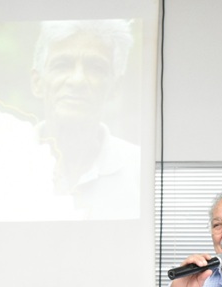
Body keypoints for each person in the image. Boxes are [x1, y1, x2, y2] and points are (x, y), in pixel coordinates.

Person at [31, 19, 140, 219]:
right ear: (37, 82)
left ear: (115, 87)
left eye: (95, 67)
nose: (77, 80)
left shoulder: (139, 170)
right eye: (62, 65)